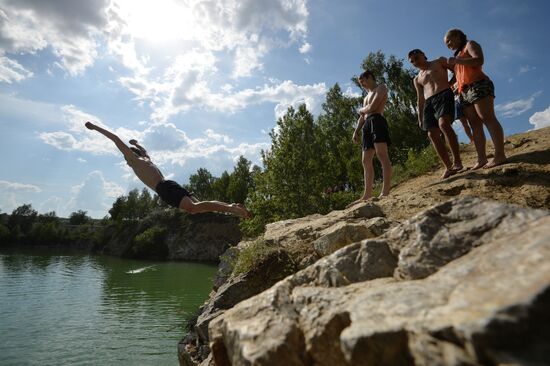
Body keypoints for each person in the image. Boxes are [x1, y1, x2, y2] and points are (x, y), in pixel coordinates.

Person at [84, 121, 251, 219]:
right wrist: (136, 144)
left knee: (194, 208)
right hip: (170, 183)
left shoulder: (134, 160)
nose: (126, 163)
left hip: (163, 189)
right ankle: (233, 206)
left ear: (130, 155)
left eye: (126, 159)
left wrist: (95, 127)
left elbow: (115, 139)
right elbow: (144, 150)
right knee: (198, 208)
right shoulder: (146, 159)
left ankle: (233, 209)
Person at [445, 28, 506, 169]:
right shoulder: (457, 55)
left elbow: (479, 60)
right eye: (446, 43)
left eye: (448, 40)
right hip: (464, 92)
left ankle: (500, 155)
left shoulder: (470, 44)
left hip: (479, 85)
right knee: (475, 124)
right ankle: (481, 159)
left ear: (457, 36)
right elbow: (458, 77)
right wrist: (451, 87)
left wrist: (457, 60)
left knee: (487, 118)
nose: (448, 45)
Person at [408, 49, 463, 179]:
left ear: (423, 55)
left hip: (444, 94)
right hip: (429, 103)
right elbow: (420, 99)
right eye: (412, 61)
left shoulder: (439, 61)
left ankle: (457, 162)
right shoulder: (417, 78)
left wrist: (451, 84)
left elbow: (456, 69)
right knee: (432, 133)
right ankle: (448, 167)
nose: (416, 61)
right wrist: (420, 116)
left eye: (417, 57)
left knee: (444, 124)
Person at [349, 70, 392, 204]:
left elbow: (373, 107)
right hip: (367, 124)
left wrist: (362, 110)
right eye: (359, 82)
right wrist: (356, 131)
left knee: (381, 154)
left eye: (362, 80)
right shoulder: (366, 97)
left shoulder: (381, 87)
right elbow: (363, 115)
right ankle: (367, 195)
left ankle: (385, 192)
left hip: (377, 120)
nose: (361, 84)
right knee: (365, 160)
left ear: (369, 77)